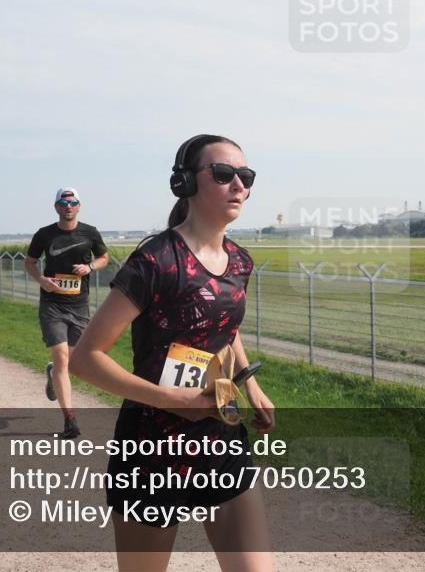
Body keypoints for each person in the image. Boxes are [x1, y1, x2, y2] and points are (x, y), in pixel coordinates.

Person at [70, 135, 274, 572]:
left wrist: (252, 385)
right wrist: (173, 399)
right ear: (186, 183)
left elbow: (224, 326)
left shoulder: (240, 262)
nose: (239, 185)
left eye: (246, 176)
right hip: (153, 447)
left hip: (221, 432)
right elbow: (85, 358)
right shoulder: (156, 261)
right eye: (223, 174)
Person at [25, 188, 109, 439]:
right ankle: (70, 420)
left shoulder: (90, 232)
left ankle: (53, 373)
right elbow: (30, 262)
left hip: (79, 305)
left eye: (72, 202)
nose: (68, 206)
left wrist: (90, 267)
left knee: (71, 362)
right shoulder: (44, 234)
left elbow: (104, 257)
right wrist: (41, 280)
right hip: (52, 305)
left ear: (79, 206)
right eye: (63, 202)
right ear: (56, 207)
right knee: (62, 357)